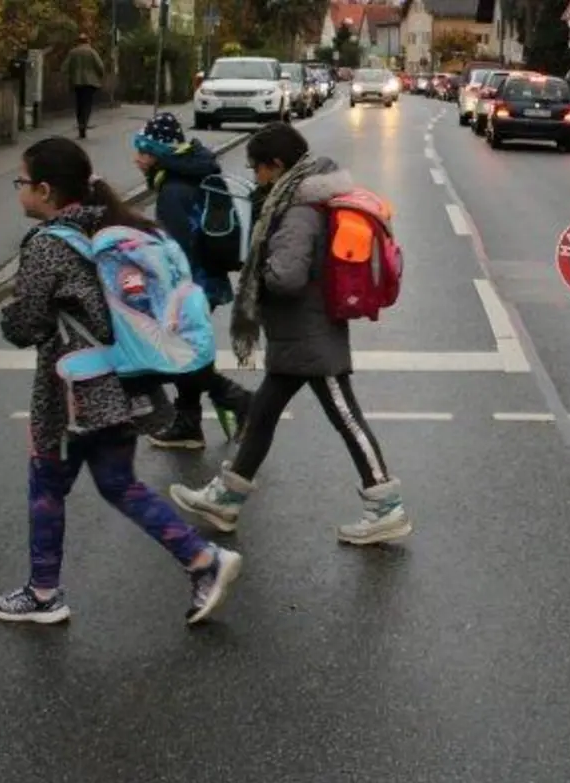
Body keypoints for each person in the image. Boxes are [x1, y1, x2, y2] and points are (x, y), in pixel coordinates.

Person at [0, 136, 243, 626]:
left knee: (47, 484)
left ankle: (44, 593)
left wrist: (11, 316)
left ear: (44, 190)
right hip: (124, 385)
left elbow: (26, 324)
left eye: (21, 181)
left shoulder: (48, 245)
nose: (18, 190)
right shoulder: (114, 225)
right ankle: (203, 559)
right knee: (118, 483)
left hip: (70, 395)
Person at [170, 123, 412, 546]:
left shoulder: (298, 211)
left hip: (310, 334)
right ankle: (227, 497)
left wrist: (259, 270)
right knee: (262, 415)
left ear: (277, 166)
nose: (256, 176)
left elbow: (287, 277)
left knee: (346, 417)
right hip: (296, 336)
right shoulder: (300, 198)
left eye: (258, 168)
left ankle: (385, 505)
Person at [132, 112, 255, 449]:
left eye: (142, 151)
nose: (136, 158)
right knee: (186, 352)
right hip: (205, 281)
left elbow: (176, 249)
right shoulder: (187, 175)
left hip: (190, 286)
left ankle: (236, 400)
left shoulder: (173, 189)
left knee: (181, 355)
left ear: (157, 153)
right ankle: (189, 423)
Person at [62, 34, 106, 140]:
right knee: (87, 104)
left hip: (77, 82)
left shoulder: (73, 52)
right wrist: (100, 76)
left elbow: (64, 67)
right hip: (90, 83)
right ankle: (84, 124)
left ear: (78, 41)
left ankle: (80, 124)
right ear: (88, 41)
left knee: (79, 104)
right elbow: (100, 66)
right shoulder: (92, 52)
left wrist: (71, 74)